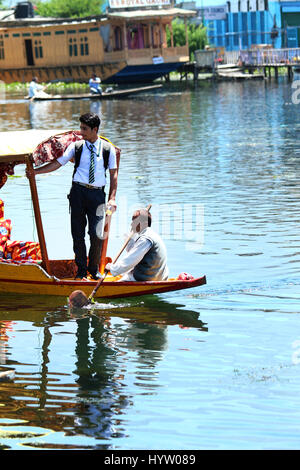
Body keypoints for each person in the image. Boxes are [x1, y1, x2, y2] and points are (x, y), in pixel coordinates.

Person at [26, 112, 118, 280]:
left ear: (95, 129)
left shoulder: (107, 149)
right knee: (78, 233)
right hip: (78, 193)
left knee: (96, 234)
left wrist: (112, 198)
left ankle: (93, 269)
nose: (81, 131)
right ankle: (81, 271)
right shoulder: (76, 146)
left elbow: (113, 175)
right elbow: (57, 164)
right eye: (80, 127)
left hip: (98, 194)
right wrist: (35, 172)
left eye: (84, 128)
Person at [105, 208, 169, 281]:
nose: (131, 224)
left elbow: (131, 260)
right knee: (123, 272)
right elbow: (131, 251)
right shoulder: (150, 234)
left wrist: (112, 268)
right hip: (159, 276)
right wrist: (131, 234)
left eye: (134, 221)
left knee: (119, 279)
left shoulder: (145, 239)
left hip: (146, 277)